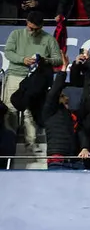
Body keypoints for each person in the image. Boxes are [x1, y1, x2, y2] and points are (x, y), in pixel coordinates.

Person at [4, 12, 63, 148]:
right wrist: (23, 59)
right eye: (31, 28)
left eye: (37, 29)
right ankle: (10, 142)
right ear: (26, 22)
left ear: (42, 26)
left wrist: (43, 60)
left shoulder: (48, 39)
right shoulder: (16, 34)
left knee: (30, 111)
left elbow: (58, 59)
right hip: (15, 75)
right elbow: (8, 52)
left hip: (35, 79)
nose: (33, 31)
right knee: (10, 109)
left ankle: (30, 143)